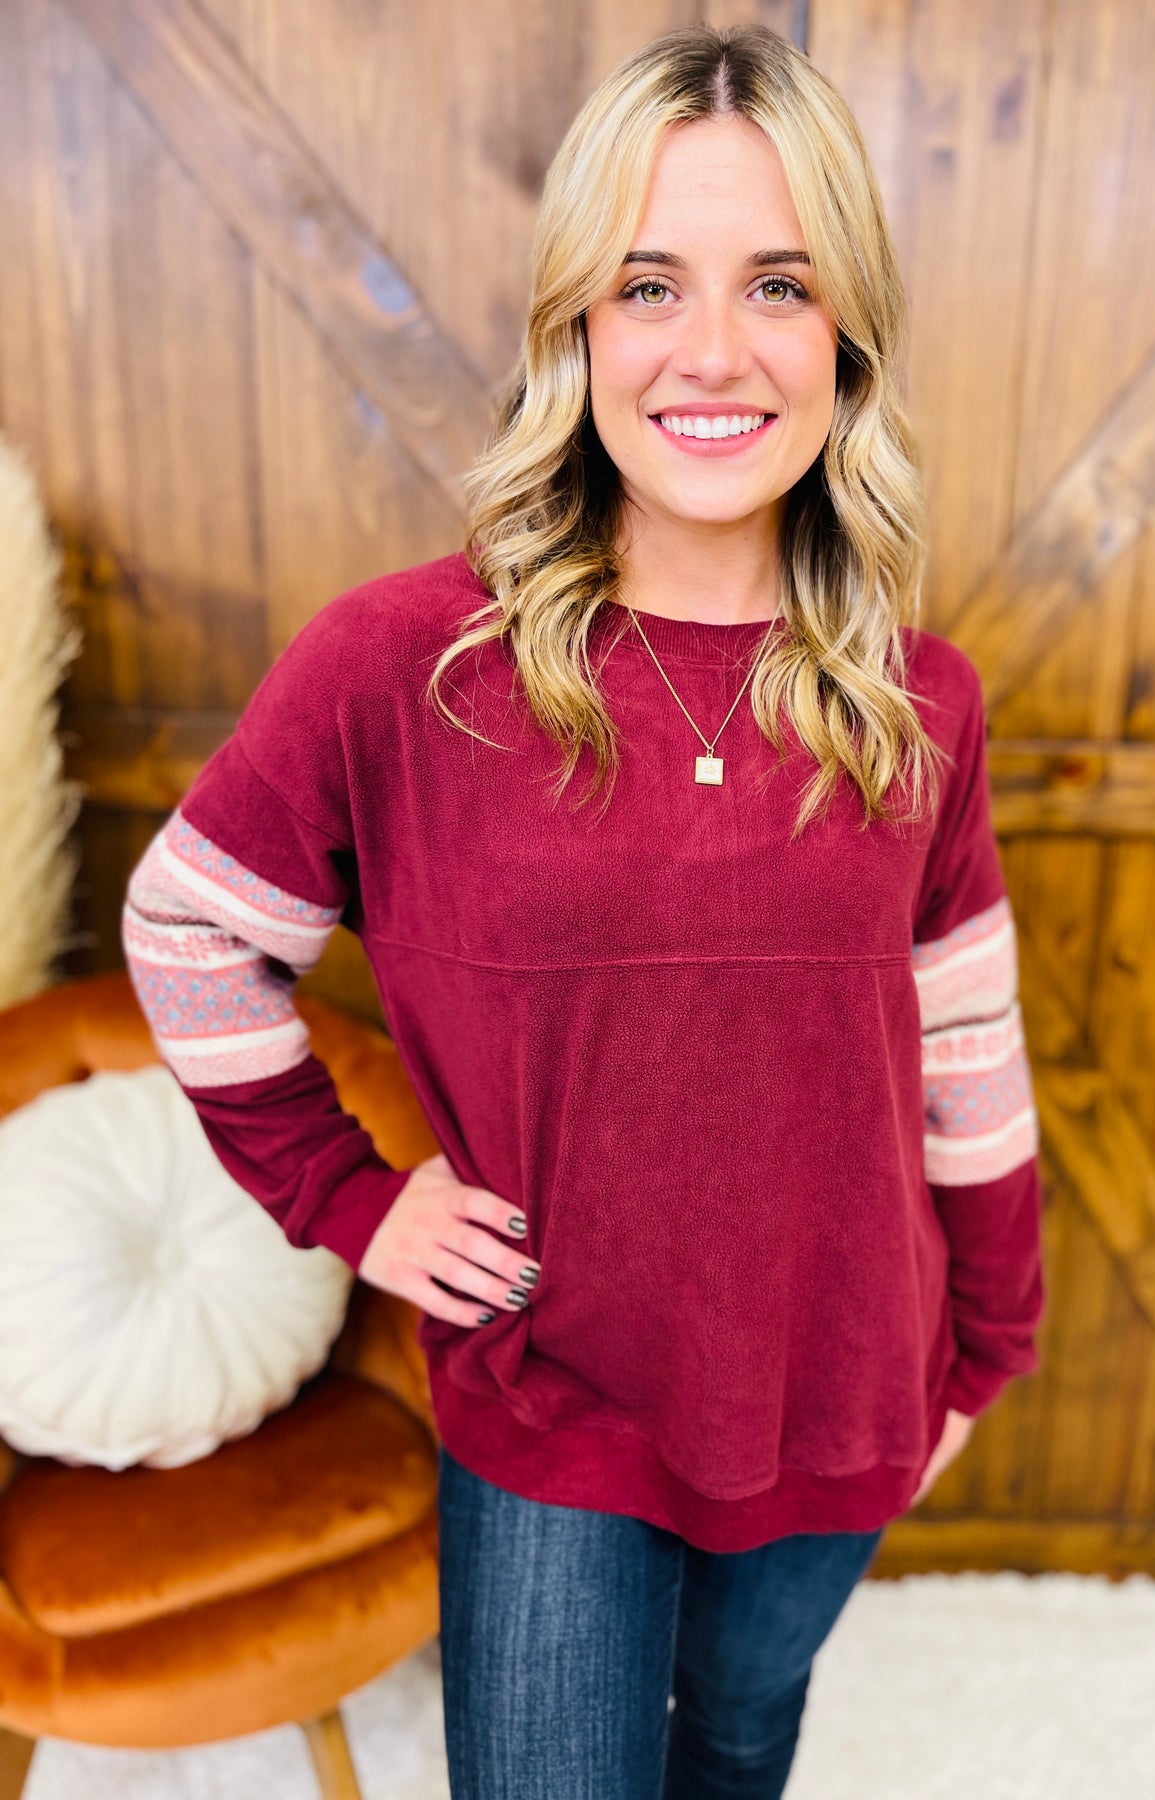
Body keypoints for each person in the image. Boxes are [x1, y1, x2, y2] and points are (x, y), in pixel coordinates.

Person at [121, 21, 1043, 1799]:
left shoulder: (915, 697)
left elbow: (963, 1040)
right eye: (648, 285)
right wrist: (350, 1199)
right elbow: (186, 929)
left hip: (848, 1376)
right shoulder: (405, 667)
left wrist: (984, 1347)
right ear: (576, 327)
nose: (713, 350)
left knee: (740, 1736)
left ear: (844, 337)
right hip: (552, 1392)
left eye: (778, 285)